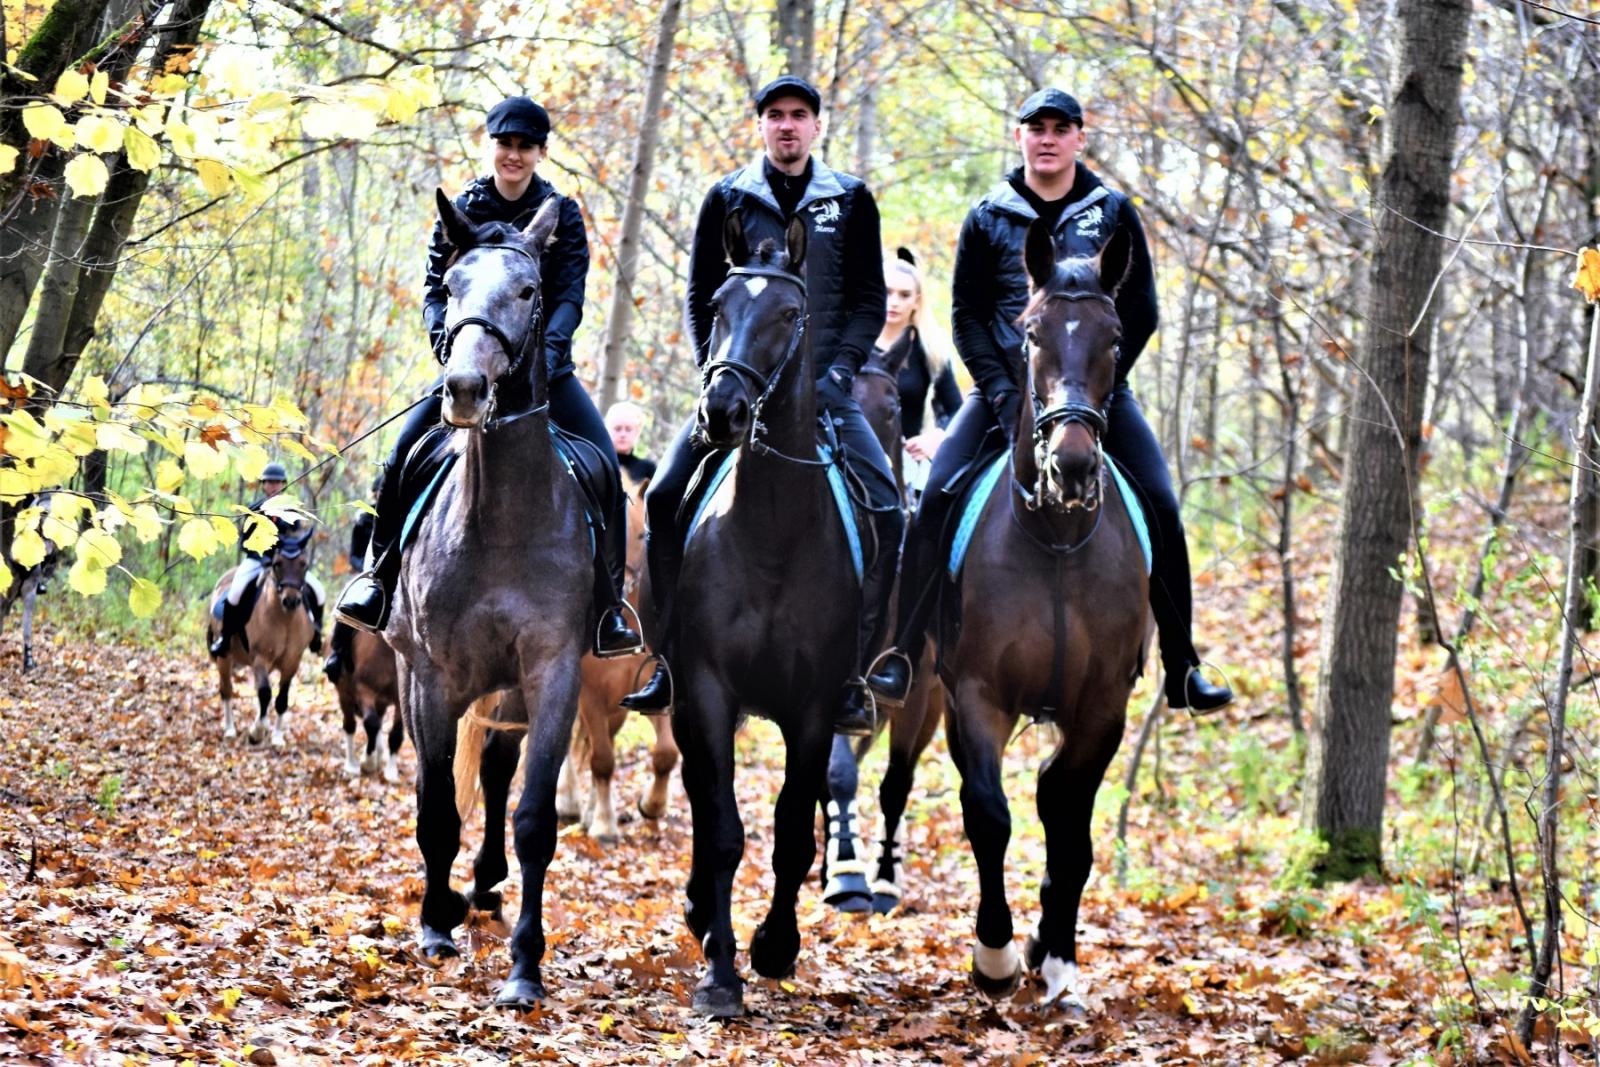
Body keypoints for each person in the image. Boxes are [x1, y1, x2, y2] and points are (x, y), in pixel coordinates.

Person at [867, 88, 1233, 713]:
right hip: (1005, 394)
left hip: (1096, 399)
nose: (1048, 138)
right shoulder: (988, 215)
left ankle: (1183, 666)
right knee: (936, 500)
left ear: (1079, 139)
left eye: (1061, 128)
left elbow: (1140, 312)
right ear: (1020, 137)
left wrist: (1095, 389)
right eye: (1036, 127)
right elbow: (966, 317)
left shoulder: (1113, 211)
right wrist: (1006, 389)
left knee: (1164, 506)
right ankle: (903, 653)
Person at [621, 75, 903, 735]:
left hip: (825, 397)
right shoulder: (727, 198)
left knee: (888, 507)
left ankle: (856, 672)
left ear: (816, 126)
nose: (786, 126)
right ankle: (668, 661)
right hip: (738, 394)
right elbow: (701, 298)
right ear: (760, 126)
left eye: (798, 115)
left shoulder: (852, 200)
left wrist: (838, 373)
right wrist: (717, 377)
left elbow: (868, 301)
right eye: (774, 115)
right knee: (662, 498)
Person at [332, 95, 641, 659]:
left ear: (541, 152)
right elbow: (434, 289)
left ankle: (609, 606)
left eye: (525, 147)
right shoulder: (463, 208)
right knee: (401, 456)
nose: (514, 156)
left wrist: (542, 352)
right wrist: (449, 346)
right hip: (469, 366)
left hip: (544, 376)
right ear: (491, 146)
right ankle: (378, 579)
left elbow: (570, 294)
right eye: (505, 144)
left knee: (604, 471)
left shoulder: (562, 213)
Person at [210, 462, 326, 657]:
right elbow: (245, 542)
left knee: (319, 591)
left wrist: (286, 555)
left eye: (278, 483)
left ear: (283, 485)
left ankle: (316, 635)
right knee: (236, 591)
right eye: (270, 483)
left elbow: (296, 540)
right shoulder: (254, 510)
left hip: (285, 565)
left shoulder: (291, 512)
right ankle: (225, 637)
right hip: (257, 562)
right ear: (263, 485)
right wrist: (263, 558)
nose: (274, 486)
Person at [876, 248, 961, 497]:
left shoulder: (930, 349)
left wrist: (936, 437)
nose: (894, 302)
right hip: (854, 462)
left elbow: (957, 408)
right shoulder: (855, 346)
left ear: (917, 300)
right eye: (888, 292)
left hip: (909, 470)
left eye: (904, 295)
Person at [322, 476, 378, 682]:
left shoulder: (401, 515)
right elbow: (354, 553)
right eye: (379, 492)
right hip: (366, 574)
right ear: (374, 494)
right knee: (345, 603)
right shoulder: (363, 519)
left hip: (395, 574)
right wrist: (365, 568)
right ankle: (337, 653)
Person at [605, 400, 657, 487]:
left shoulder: (649, 470)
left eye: (628, 429)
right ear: (608, 431)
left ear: (637, 432)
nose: (623, 434)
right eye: (617, 429)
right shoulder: (600, 465)